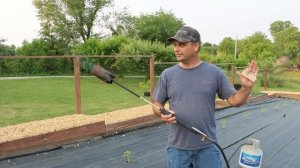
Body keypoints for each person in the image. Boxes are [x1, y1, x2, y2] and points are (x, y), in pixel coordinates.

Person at [152, 26, 258, 168]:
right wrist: (161, 113)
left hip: (207, 147)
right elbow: (156, 103)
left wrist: (246, 88)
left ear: (196, 46)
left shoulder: (215, 73)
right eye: (175, 45)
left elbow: (235, 100)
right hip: (177, 149)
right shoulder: (167, 74)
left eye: (182, 44)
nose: (176, 49)